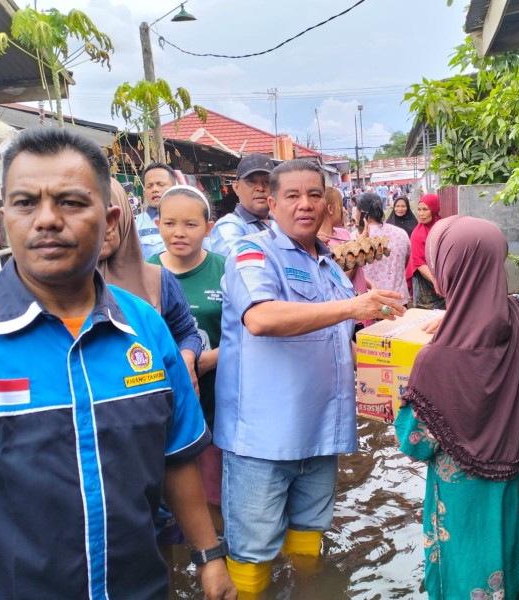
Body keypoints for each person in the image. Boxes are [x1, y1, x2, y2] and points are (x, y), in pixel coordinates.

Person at [0, 128, 235, 600]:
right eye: (26, 203)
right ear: (3, 216)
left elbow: (175, 457)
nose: (48, 220)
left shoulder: (146, 329)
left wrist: (208, 555)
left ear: (110, 220)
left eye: (71, 202)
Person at [215, 159, 405, 594]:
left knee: (309, 538)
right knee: (252, 551)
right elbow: (261, 318)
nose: (305, 204)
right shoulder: (253, 253)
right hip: (263, 440)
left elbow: (342, 343)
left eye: (315, 195)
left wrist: (396, 371)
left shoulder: (331, 268)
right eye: (293, 196)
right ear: (273, 202)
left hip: (322, 432)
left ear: (327, 202)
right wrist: (354, 308)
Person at [395, 216, 519, 600]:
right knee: (514, 569)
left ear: (448, 268)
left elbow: (415, 440)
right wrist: (459, 315)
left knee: (468, 580)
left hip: (470, 497)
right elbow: (500, 308)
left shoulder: (435, 361)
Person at [148, 184, 226, 533]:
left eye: (191, 224)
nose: (178, 233)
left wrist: (208, 360)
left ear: (209, 228)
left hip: (219, 400)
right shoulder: (144, 274)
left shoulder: (225, 270)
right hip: (164, 404)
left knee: (215, 492)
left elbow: (249, 334)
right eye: (169, 223)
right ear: (157, 224)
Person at [99, 179, 201, 391]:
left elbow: (187, 334)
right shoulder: (57, 288)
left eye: (109, 214)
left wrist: (186, 360)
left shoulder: (159, 279)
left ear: (122, 216)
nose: (103, 226)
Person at [209, 154, 275, 256]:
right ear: (236, 188)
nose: (260, 188)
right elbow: (241, 265)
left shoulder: (278, 224)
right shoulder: (228, 226)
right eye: (251, 182)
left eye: (267, 182)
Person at [357, 193, 410, 305]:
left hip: (369, 303)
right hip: (398, 301)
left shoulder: (354, 238)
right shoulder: (401, 233)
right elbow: (406, 261)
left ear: (361, 212)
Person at [406, 193, 445, 310]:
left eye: (425, 209)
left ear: (434, 209)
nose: (421, 214)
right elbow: (419, 263)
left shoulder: (442, 226)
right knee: (426, 313)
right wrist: (435, 282)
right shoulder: (417, 234)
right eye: (419, 209)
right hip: (424, 278)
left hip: (441, 276)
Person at [136, 162, 177, 259]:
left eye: (160, 184)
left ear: (174, 188)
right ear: (144, 192)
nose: (155, 189)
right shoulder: (135, 224)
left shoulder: (190, 219)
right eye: (149, 186)